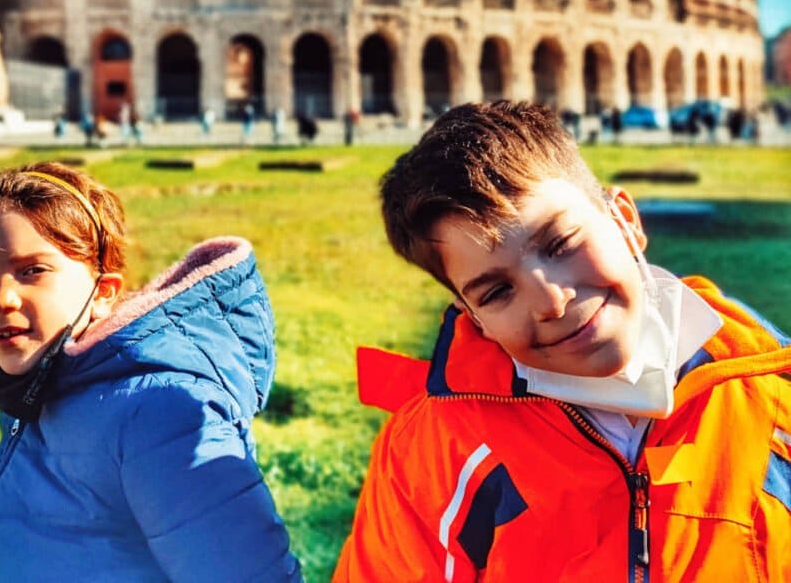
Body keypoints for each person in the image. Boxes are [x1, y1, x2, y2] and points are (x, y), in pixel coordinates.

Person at [335, 101, 790, 582]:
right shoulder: (434, 451)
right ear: (475, 319)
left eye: (560, 244)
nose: (550, 301)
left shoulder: (770, 387)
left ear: (624, 220)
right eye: (497, 292)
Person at [0, 161, 301, 582]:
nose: (2, 298)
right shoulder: (33, 394)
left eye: (32, 271)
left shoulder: (157, 414)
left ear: (103, 293)